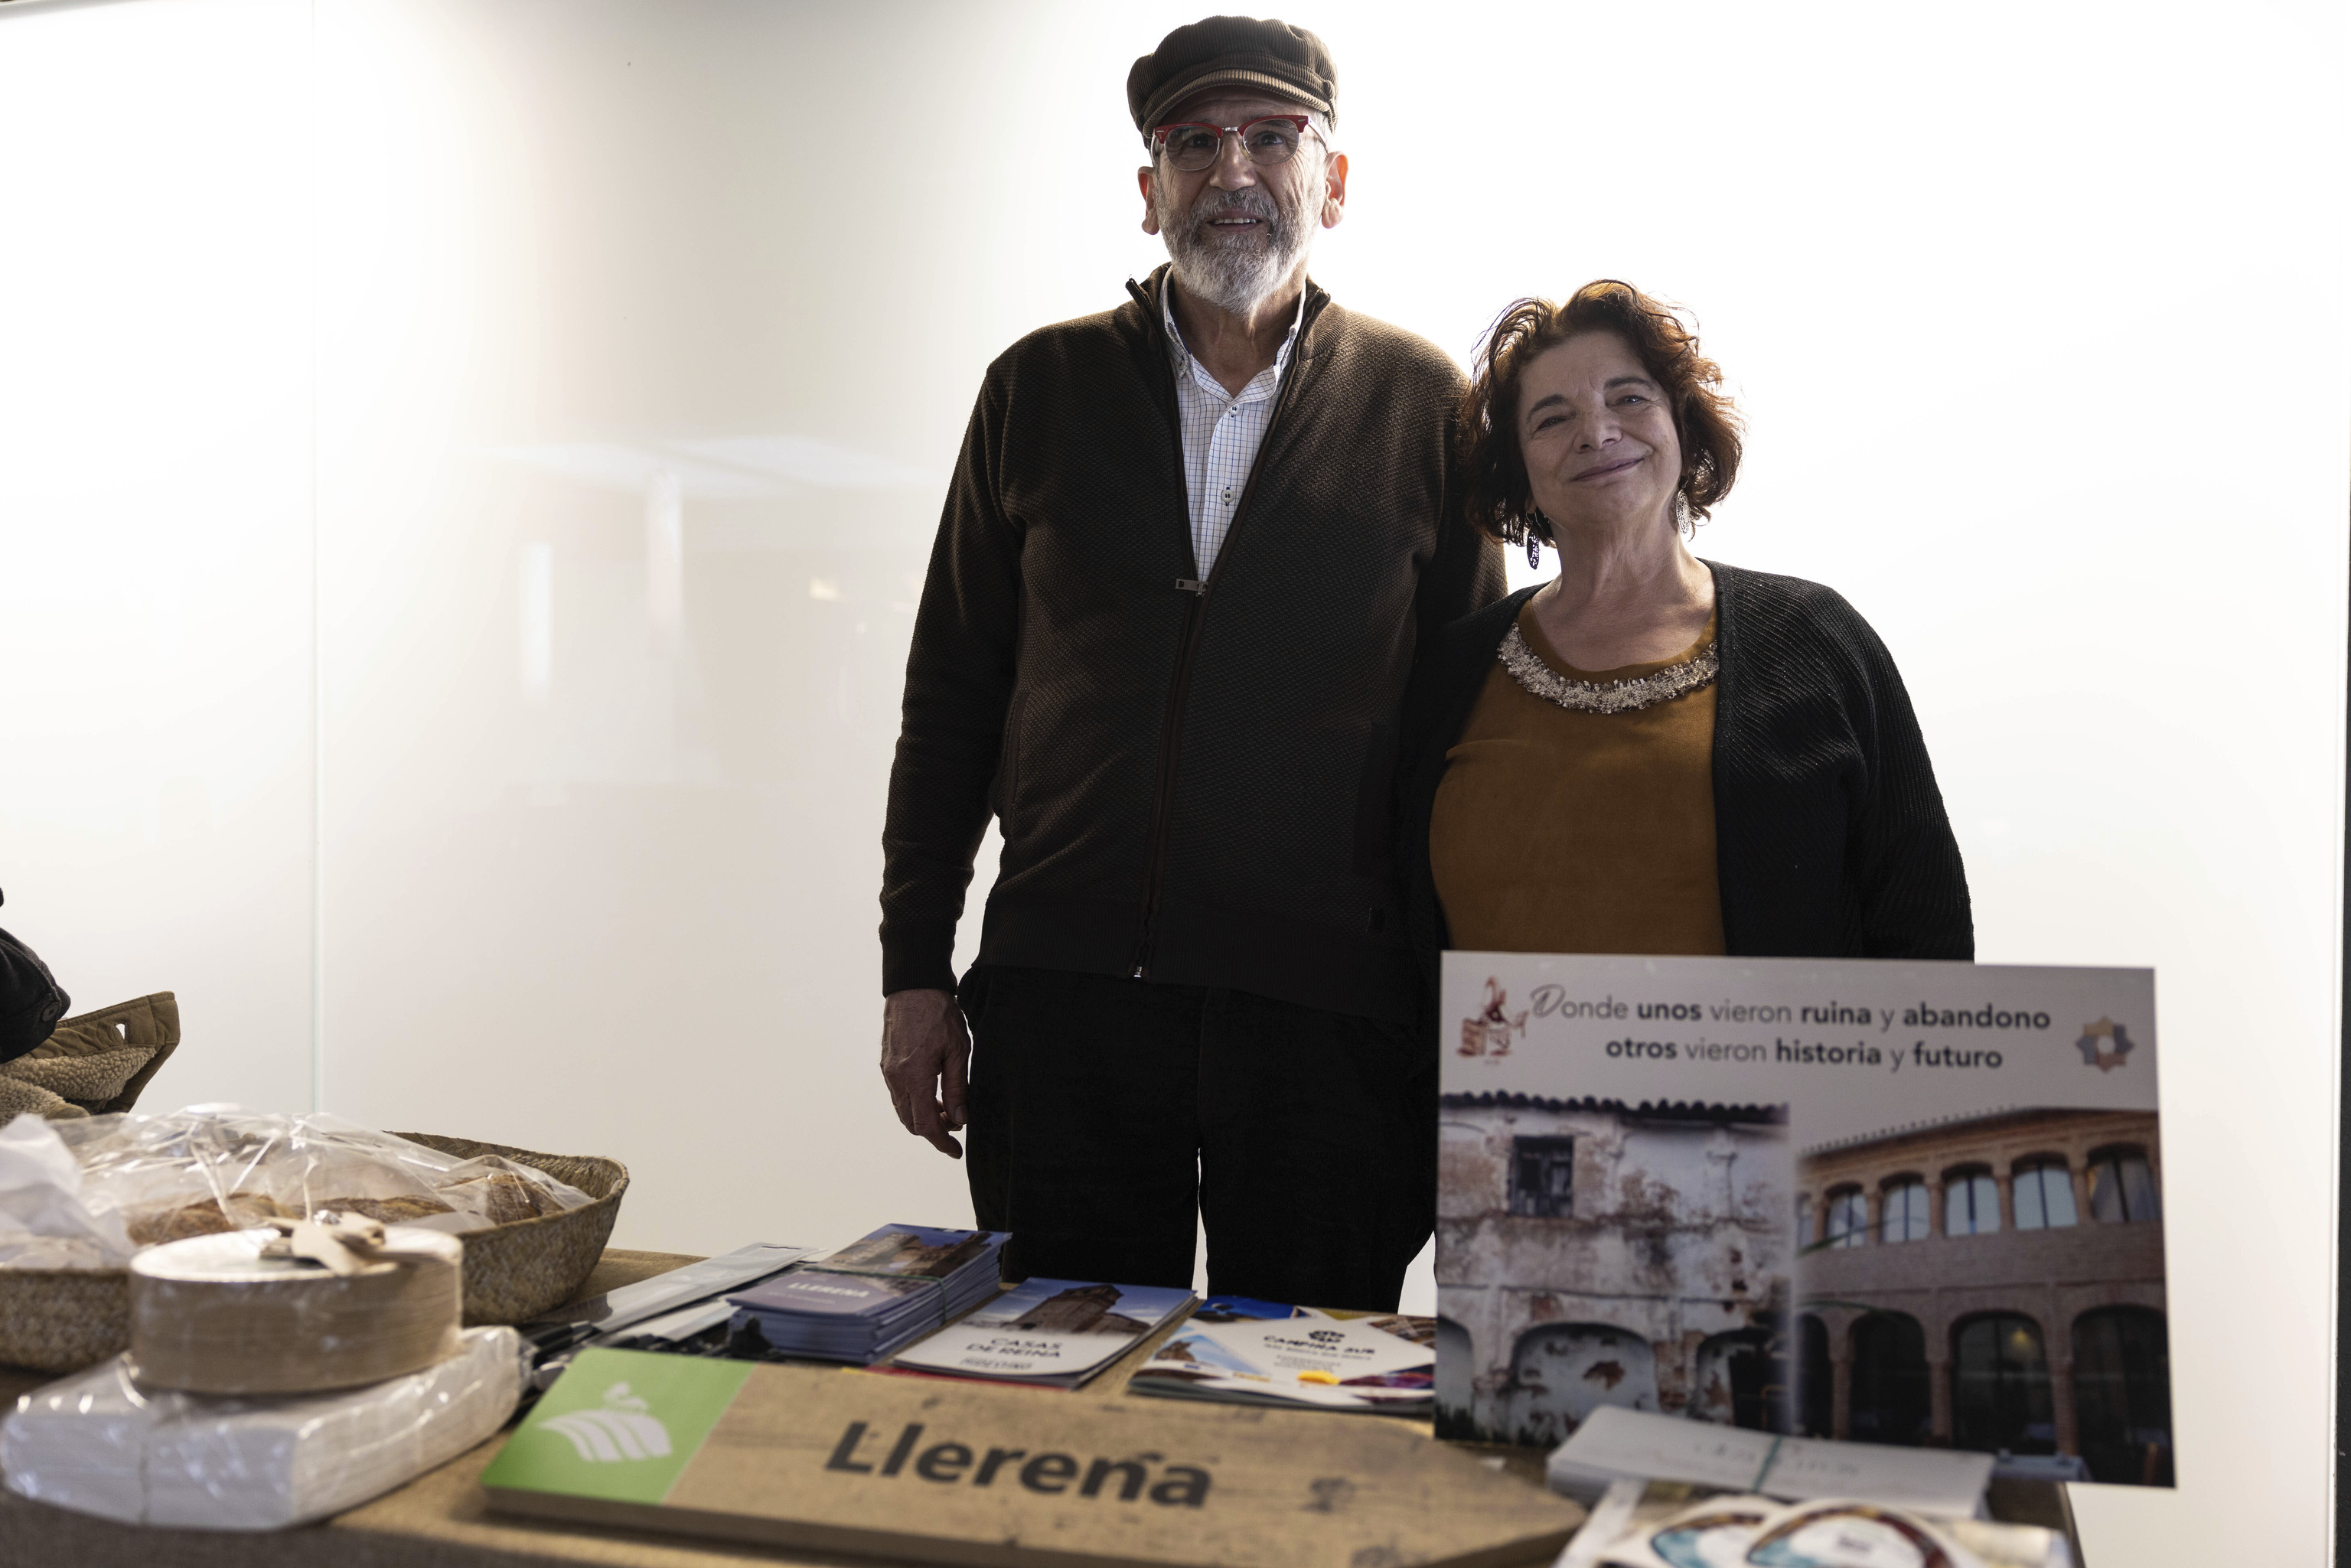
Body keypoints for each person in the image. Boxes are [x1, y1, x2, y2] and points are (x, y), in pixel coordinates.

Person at [879, 16, 1504, 1309]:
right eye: (1194, 141)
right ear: (1148, 184)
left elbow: (1466, 748)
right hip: (1066, 1009)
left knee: (1311, 1401)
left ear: (1331, 179)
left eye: (1272, 137)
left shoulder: (1428, 406)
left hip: (1329, 1021)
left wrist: (1466, 1026)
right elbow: (951, 698)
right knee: (1061, 1381)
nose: (1233, 170)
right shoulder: (1034, 389)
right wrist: (913, 969)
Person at [1397, 281, 1970, 984]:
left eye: (1629, 398)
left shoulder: (1818, 642)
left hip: (1781, 1094)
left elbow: (1926, 931)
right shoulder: (1449, 672)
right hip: (1496, 1097)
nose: (1597, 431)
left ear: (1682, 424)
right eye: (1552, 418)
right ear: (1517, 471)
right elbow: (1399, 955)